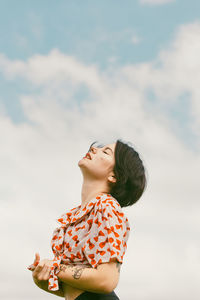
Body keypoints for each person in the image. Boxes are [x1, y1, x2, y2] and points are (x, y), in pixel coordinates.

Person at [28, 139, 147, 300]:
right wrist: (43, 278)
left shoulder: (107, 207)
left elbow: (106, 281)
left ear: (114, 176)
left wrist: (56, 267)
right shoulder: (79, 214)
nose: (93, 149)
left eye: (105, 152)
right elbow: (76, 289)